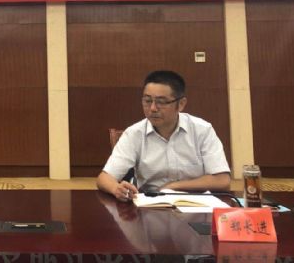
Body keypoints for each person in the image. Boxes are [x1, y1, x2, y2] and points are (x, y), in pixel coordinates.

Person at [96, 70, 230, 201]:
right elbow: (104, 178)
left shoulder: (202, 130)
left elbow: (222, 180)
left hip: (198, 204)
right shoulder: (134, 134)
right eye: (147, 101)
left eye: (161, 102)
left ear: (181, 104)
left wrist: (174, 186)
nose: (153, 108)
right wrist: (116, 188)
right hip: (151, 204)